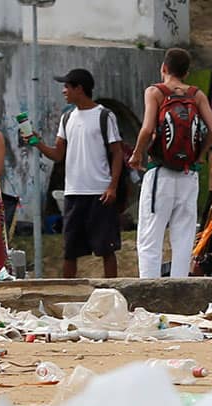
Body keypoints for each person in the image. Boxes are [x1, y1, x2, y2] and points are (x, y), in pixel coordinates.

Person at [129, 47, 212, 278]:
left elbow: (148, 129)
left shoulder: (156, 92)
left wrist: (137, 153)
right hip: (189, 175)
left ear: (164, 68)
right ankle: (181, 290)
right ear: (187, 72)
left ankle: (148, 293)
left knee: (151, 236)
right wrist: (199, 155)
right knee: (184, 238)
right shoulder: (196, 95)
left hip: (160, 172)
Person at [36, 68, 126, 279]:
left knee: (106, 248)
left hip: (100, 191)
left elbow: (117, 152)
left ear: (80, 88)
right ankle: (68, 294)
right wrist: (37, 142)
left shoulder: (104, 116)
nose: (64, 91)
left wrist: (112, 186)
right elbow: (58, 154)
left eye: (67, 86)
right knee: (70, 250)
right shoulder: (67, 118)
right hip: (74, 192)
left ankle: (112, 290)